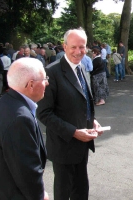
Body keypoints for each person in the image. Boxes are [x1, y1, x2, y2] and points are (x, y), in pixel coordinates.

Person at [37, 28, 104, 200]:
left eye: (82, 47)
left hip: (82, 145)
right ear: (64, 46)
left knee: (81, 190)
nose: (78, 51)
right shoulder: (51, 72)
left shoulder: (81, 67)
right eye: (73, 47)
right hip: (63, 146)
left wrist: (93, 121)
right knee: (64, 192)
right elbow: (44, 113)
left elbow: (82, 103)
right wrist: (74, 132)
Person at [0, 58, 49, 199]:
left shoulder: (5, 103)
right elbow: (26, 170)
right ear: (31, 85)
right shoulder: (20, 118)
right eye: (44, 78)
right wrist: (39, 196)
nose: (47, 83)